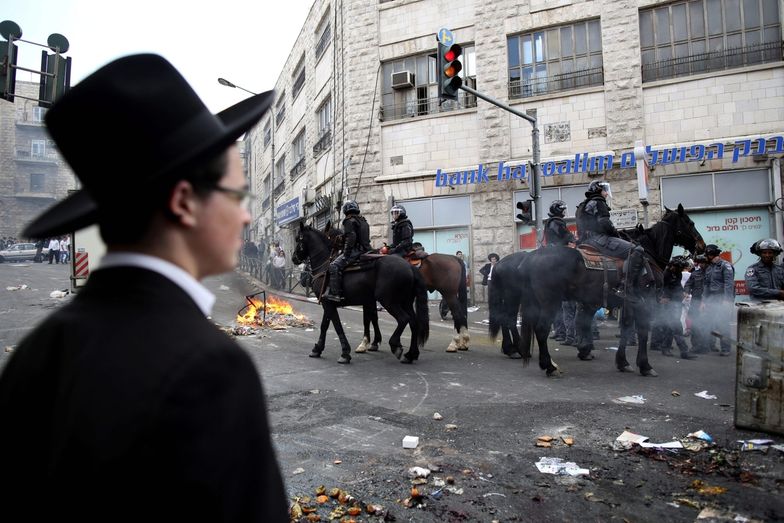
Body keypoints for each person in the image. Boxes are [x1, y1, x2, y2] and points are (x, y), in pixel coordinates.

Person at [0, 54, 287, 521]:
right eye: (237, 194)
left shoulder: (39, 350)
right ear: (184, 203)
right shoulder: (209, 368)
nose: (247, 215)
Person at [576, 180, 645, 302]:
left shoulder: (585, 204)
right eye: (605, 190)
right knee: (636, 249)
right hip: (598, 239)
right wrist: (615, 233)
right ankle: (625, 286)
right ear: (598, 190)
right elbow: (604, 223)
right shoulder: (598, 201)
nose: (607, 193)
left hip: (587, 239)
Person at [323, 200, 370, 302]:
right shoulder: (363, 220)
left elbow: (351, 238)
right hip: (366, 250)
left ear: (345, 211)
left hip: (355, 251)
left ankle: (335, 293)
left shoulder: (348, 221)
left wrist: (346, 254)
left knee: (334, 266)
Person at [701, 244, 735, 355]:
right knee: (709, 322)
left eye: (708, 254)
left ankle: (725, 349)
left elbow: (729, 284)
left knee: (722, 324)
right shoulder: (709, 267)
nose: (706, 257)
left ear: (712, 254)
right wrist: (703, 301)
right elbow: (706, 285)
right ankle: (711, 345)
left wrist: (727, 300)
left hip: (721, 298)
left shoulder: (725, 265)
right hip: (711, 298)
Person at [685, 254, 709, 353]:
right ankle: (696, 345)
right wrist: (686, 291)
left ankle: (706, 346)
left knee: (706, 325)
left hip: (706, 303)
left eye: (704, 263)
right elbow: (688, 284)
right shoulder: (695, 273)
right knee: (694, 324)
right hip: (695, 301)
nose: (702, 265)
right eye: (700, 263)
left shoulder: (711, 273)